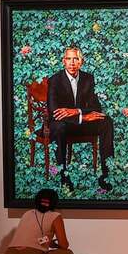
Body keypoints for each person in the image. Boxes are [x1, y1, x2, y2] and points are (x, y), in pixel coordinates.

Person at [46, 45, 115, 193]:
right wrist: (83, 117)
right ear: (63, 61)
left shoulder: (88, 78)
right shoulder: (54, 80)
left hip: (79, 122)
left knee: (106, 121)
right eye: (69, 59)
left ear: (81, 62)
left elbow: (95, 107)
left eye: (75, 59)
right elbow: (54, 112)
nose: (72, 63)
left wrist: (74, 111)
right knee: (59, 126)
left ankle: (105, 175)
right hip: (63, 125)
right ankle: (64, 177)